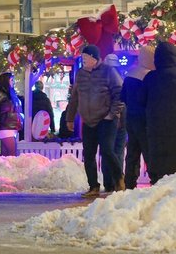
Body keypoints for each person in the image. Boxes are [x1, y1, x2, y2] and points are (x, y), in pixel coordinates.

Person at [138, 41, 176, 184]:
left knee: (159, 156)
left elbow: (141, 100)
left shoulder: (150, 77)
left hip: (157, 125)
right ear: (175, 57)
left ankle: (158, 182)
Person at [66, 44, 124, 197]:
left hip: (106, 119)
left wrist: (112, 114)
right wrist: (70, 118)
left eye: (86, 58)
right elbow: (75, 97)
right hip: (88, 121)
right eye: (82, 58)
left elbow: (119, 93)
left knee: (107, 150)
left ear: (94, 58)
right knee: (89, 154)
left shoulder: (108, 72)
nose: (83, 61)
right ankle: (93, 186)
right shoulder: (80, 74)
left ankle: (119, 179)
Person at [121, 45, 155, 188]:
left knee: (132, 154)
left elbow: (122, 97)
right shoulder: (151, 77)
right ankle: (155, 180)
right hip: (146, 120)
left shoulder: (130, 75)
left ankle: (129, 184)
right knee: (149, 153)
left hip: (131, 119)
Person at [102, 53, 127, 192]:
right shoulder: (121, 78)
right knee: (116, 151)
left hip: (110, 119)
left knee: (108, 151)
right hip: (119, 118)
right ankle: (117, 181)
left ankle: (110, 182)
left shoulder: (105, 78)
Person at [0, 71, 23, 157]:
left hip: (9, 126)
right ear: (6, 80)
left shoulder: (8, 92)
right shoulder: (0, 92)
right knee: (12, 153)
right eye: (11, 79)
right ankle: (10, 170)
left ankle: (4, 170)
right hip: (5, 126)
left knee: (7, 155)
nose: (13, 82)